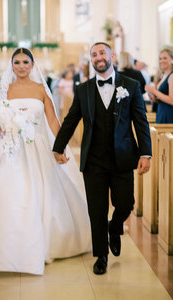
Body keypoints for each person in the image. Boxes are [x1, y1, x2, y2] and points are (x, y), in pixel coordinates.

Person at [0, 48, 91, 275]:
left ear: (32, 63)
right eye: (16, 62)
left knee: (41, 191)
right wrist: (0, 129)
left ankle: (46, 242)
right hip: (10, 149)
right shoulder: (3, 90)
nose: (21, 66)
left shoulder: (40, 90)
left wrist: (60, 147)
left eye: (25, 62)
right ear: (12, 65)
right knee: (9, 193)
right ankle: (5, 249)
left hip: (37, 148)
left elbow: (53, 122)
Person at [53, 42, 152, 275]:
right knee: (96, 209)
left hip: (124, 157)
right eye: (94, 54)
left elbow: (141, 121)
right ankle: (101, 256)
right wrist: (59, 147)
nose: (98, 57)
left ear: (112, 55)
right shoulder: (83, 89)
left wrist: (145, 153)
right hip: (94, 159)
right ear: (91, 59)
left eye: (102, 53)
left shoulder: (131, 85)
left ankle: (115, 226)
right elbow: (71, 119)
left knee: (125, 203)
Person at [145, 48, 173, 123]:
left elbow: (171, 100)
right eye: (160, 59)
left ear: (172, 59)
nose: (162, 61)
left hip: (169, 113)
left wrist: (154, 91)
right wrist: (154, 98)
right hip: (161, 111)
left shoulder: (171, 76)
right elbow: (163, 98)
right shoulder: (163, 76)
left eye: (165, 58)